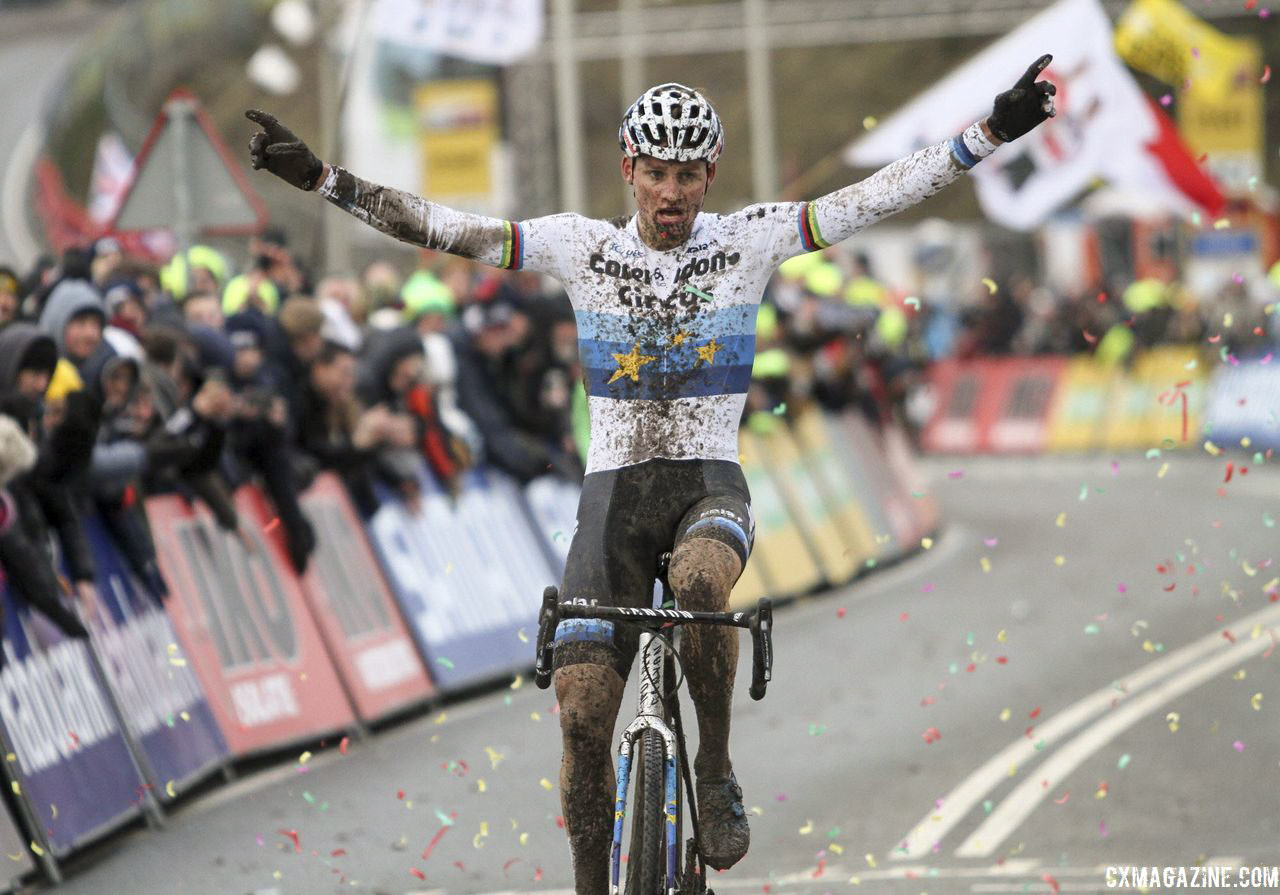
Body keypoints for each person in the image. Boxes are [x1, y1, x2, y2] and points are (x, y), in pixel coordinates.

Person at [246, 59, 1056, 890]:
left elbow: (869, 198)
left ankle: (714, 767)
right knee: (583, 713)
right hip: (613, 500)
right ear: (628, 169)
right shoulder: (580, 246)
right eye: (657, 174)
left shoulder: (750, 239)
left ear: (711, 175)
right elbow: (448, 229)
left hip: (709, 483)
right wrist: (324, 179)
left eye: (688, 176)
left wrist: (987, 132)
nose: (671, 194)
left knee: (704, 581)